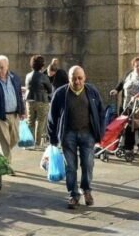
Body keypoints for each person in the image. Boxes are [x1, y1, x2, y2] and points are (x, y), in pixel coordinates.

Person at [47, 66, 106, 209]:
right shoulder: (61, 93)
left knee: (87, 164)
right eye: (74, 78)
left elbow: (101, 112)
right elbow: (52, 116)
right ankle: (73, 195)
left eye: (80, 78)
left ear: (85, 78)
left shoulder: (92, 91)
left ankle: (86, 190)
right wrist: (52, 138)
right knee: (71, 167)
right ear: (69, 79)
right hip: (68, 134)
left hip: (88, 133)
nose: (77, 81)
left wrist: (100, 133)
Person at [109, 57, 139, 154]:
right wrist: (116, 90)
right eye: (136, 65)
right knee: (128, 126)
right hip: (127, 105)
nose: (138, 67)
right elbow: (122, 83)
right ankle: (129, 146)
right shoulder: (129, 74)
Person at [24, 55, 54, 148]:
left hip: (29, 101)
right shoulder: (43, 76)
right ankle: (37, 143)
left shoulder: (28, 75)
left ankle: (29, 143)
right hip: (42, 100)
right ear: (42, 66)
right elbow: (50, 90)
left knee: (30, 121)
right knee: (40, 121)